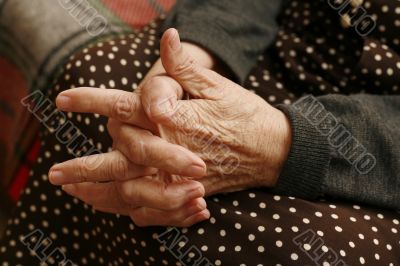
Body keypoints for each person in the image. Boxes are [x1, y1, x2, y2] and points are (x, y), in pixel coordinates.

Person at [1, 0, 399, 265]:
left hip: (383, 149)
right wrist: (180, 70)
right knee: (104, 84)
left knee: (256, 239)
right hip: (292, 44)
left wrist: (287, 143)